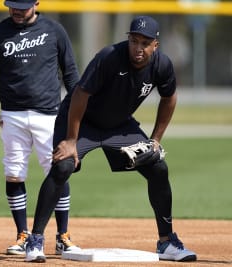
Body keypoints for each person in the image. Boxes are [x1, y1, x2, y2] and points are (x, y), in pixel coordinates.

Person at [24, 16, 198, 263]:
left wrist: (155, 140)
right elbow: (80, 95)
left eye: (145, 43)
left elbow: (169, 98)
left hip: (119, 125)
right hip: (83, 120)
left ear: (155, 45)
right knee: (63, 165)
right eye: (134, 41)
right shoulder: (109, 57)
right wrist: (71, 139)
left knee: (158, 167)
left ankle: (166, 241)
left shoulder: (162, 65)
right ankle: (36, 239)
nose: (138, 48)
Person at [0, 0, 81, 256]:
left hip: (50, 114)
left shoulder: (54, 30)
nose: (17, 10)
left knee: (58, 171)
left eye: (23, 6)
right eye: (13, 5)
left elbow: (70, 73)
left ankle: (62, 235)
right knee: (13, 173)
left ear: (36, 3)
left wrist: (75, 111)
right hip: (12, 114)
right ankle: (23, 234)